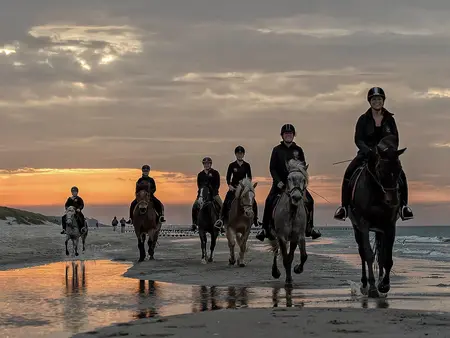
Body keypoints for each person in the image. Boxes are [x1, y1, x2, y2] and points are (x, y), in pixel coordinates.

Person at [333, 87, 414, 221]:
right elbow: (358, 139)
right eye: (374, 99)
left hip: (386, 157)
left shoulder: (389, 119)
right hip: (367, 155)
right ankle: (344, 208)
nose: (377, 101)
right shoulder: (363, 119)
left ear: (383, 101)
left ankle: (404, 207)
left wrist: (389, 152)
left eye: (379, 99)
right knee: (349, 172)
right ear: (370, 101)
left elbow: (395, 138)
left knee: (400, 174)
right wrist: (368, 151)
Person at [256, 124, 322, 241]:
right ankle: (264, 228)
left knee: (310, 200)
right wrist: (278, 182)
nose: (288, 136)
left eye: (290, 134)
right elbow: (272, 168)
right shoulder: (276, 150)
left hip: (295, 185)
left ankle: (310, 227)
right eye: (286, 134)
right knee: (269, 200)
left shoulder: (298, 150)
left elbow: (302, 167)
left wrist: (302, 182)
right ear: (282, 136)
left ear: (293, 135)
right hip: (280, 183)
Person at [215, 146, 259, 231]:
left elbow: (249, 177)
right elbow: (228, 177)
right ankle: (221, 219)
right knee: (226, 201)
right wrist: (229, 185)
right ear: (235, 154)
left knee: (253, 201)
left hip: (244, 188)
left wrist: (247, 186)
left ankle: (255, 219)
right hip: (234, 188)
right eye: (238, 153)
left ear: (243, 154)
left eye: (241, 153)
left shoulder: (247, 165)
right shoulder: (232, 165)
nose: (240, 155)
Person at [191, 157, 222, 231]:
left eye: (208, 163)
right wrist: (201, 194)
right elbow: (199, 185)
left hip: (214, 194)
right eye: (205, 164)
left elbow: (217, 185)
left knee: (221, 205)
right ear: (203, 164)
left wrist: (212, 191)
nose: (206, 165)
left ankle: (221, 223)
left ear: (210, 164)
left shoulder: (215, 173)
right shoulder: (200, 174)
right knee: (194, 206)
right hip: (202, 195)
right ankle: (194, 223)